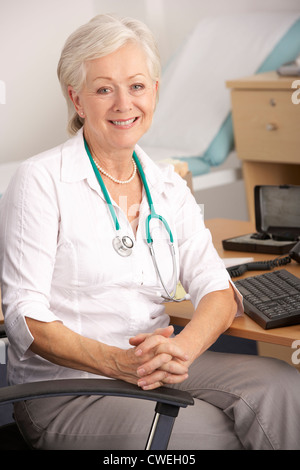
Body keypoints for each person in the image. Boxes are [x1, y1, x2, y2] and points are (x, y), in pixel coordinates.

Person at [0, 14, 300, 451]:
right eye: (104, 89)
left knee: (284, 387)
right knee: (217, 436)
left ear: (154, 92)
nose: (124, 104)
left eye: (137, 86)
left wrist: (184, 350)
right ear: (77, 100)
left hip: (156, 367)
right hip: (72, 389)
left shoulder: (168, 185)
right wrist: (119, 364)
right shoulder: (41, 180)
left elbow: (216, 289)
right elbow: (24, 314)